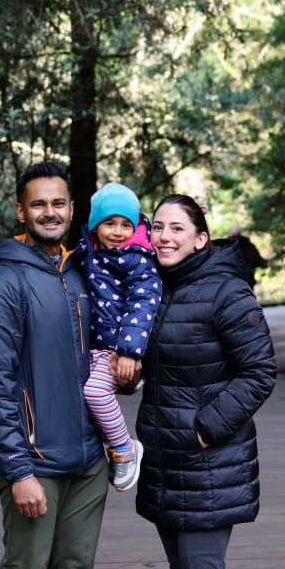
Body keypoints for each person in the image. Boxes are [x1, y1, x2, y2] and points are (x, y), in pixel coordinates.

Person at [0, 161, 108, 569]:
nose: (50, 212)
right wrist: (18, 469)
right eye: (38, 204)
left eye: (58, 203)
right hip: (35, 461)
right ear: (20, 211)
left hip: (89, 460)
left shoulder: (79, 272)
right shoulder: (3, 281)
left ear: (72, 210)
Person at [134, 194, 278, 569]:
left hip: (208, 465)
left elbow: (260, 371)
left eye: (177, 228)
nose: (164, 236)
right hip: (163, 462)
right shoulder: (153, 290)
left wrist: (206, 428)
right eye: (157, 227)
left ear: (200, 239)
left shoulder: (227, 291)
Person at [75, 181, 161, 492]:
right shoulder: (89, 254)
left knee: (95, 394)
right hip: (94, 347)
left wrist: (129, 352)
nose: (118, 231)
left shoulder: (137, 257)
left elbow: (142, 306)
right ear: (95, 225)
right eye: (109, 223)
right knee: (81, 397)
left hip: (115, 349)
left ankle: (125, 448)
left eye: (126, 224)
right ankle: (112, 445)